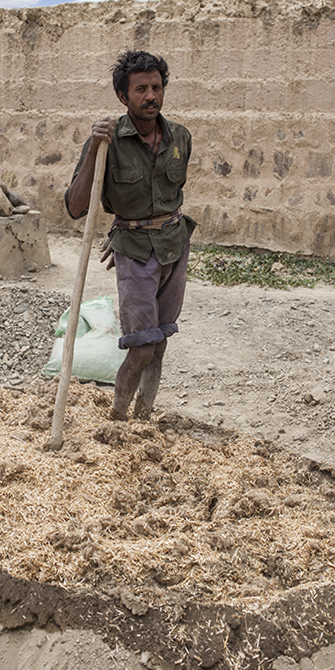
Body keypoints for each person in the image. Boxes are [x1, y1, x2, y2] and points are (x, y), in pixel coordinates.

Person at [65, 49, 195, 420]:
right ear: (123, 97)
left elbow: (168, 197)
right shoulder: (108, 144)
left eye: (156, 87)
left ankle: (144, 417)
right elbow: (75, 207)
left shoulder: (180, 139)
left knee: (160, 342)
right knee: (140, 347)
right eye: (140, 89)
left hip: (174, 246)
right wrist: (93, 148)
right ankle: (118, 420)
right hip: (136, 253)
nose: (151, 96)